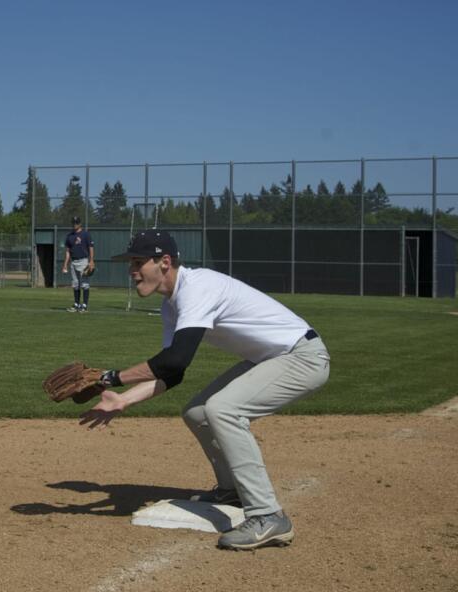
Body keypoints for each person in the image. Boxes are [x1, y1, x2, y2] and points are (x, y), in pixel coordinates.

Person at [78, 230, 330, 551]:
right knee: (198, 412)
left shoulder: (197, 288)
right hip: (272, 357)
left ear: (165, 262)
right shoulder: (172, 306)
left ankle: (268, 514)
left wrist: (109, 378)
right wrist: (123, 399)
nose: (132, 271)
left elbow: (174, 359)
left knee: (223, 409)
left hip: (302, 356)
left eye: (138, 262)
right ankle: (232, 490)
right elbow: (174, 372)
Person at [61, 215, 95, 312]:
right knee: (75, 284)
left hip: (84, 261)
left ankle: (84, 305)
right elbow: (68, 251)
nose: (75, 224)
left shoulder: (86, 234)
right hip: (73, 261)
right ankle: (76, 304)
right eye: (73, 222)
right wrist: (65, 264)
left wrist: (91, 260)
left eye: (76, 222)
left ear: (80, 223)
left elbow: (91, 248)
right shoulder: (69, 236)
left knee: (85, 284)